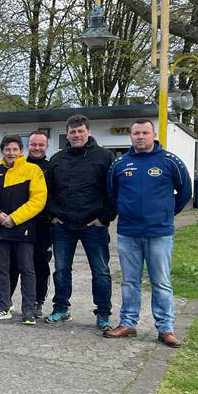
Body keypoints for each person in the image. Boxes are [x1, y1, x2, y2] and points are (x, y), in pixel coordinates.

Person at [104, 119, 192, 347]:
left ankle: (165, 329)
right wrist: (126, 210)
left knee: (161, 282)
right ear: (131, 137)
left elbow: (185, 191)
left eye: (145, 133)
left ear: (153, 135)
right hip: (128, 233)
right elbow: (112, 193)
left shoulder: (169, 161)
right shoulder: (120, 163)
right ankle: (128, 323)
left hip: (159, 233)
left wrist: (167, 212)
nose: (140, 137)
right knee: (129, 281)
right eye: (136, 133)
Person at [43, 115, 116, 329]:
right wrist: (52, 216)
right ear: (67, 134)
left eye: (80, 131)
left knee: (100, 271)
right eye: (72, 132)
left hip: (94, 225)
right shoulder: (57, 159)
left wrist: (104, 218)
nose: (76, 135)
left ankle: (103, 314)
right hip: (63, 225)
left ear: (88, 132)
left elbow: (113, 191)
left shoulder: (105, 157)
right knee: (62, 269)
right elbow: (47, 192)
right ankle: (61, 308)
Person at [0, 135, 47, 324]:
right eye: (7, 149)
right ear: (2, 151)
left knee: (27, 269)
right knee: (1, 269)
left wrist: (14, 219)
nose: (11, 153)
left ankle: (29, 310)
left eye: (15, 149)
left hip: (23, 229)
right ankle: (3, 306)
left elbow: (38, 201)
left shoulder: (33, 170)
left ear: (21, 151)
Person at [9, 130, 52, 317]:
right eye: (34, 144)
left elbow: (58, 194)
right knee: (13, 264)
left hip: (43, 225)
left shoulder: (52, 168)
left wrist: (55, 216)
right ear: (28, 146)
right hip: (18, 224)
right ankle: (6, 299)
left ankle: (37, 301)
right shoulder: (18, 166)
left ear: (46, 146)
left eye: (41, 145)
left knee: (40, 264)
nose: (37, 148)